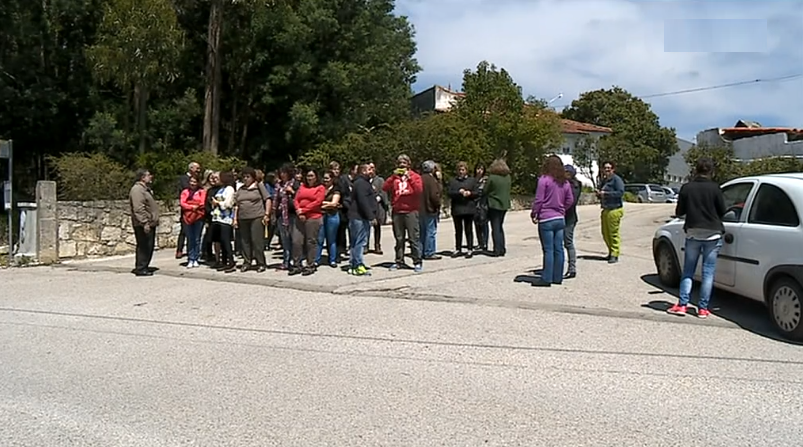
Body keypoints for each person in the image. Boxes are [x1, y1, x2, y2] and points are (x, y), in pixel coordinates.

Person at [667, 157, 726, 318]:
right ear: (711, 171)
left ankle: (683, 305)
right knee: (708, 272)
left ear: (696, 170)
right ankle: (703, 308)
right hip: (713, 234)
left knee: (688, 271)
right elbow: (723, 211)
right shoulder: (715, 188)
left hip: (693, 232)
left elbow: (679, 212)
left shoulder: (687, 188)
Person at [531, 155, 575, 287]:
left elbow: (539, 200)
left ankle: (546, 278)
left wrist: (534, 213)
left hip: (546, 218)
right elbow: (570, 200)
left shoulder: (544, 180)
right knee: (559, 249)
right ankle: (557, 277)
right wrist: (562, 209)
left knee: (548, 250)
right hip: (560, 218)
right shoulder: (565, 182)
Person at [383, 154, 424, 272]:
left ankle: (417, 261)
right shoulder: (395, 178)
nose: (402, 165)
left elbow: (419, 190)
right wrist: (393, 176)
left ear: (408, 164)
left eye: (404, 163)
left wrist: (409, 177)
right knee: (399, 238)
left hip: (411, 210)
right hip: (397, 210)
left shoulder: (415, 176)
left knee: (413, 237)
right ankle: (399, 261)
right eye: (400, 163)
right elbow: (385, 187)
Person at [234, 167, 271, 273]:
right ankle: (247, 262)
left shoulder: (259, 187)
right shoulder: (241, 189)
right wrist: (235, 219)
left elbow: (267, 199)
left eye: (248, 177)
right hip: (243, 217)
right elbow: (237, 205)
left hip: (256, 216)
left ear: (253, 177)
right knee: (244, 241)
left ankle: (261, 263)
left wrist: (267, 214)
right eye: (244, 177)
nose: (245, 179)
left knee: (256, 240)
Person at [292, 169, 325, 276]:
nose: (309, 178)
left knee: (311, 242)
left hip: (313, 217)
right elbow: (296, 199)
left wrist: (304, 210)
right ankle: (297, 264)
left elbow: (318, 202)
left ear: (316, 177)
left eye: (311, 176)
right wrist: (298, 211)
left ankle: (310, 264)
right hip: (300, 217)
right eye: (308, 176)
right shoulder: (302, 187)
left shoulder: (320, 188)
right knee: (296, 241)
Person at [348, 164, 378, 276]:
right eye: (369, 169)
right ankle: (358, 265)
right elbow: (363, 201)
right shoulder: (361, 183)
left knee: (356, 242)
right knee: (360, 242)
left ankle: (353, 264)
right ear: (363, 171)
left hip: (359, 217)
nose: (372, 171)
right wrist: (371, 216)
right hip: (359, 217)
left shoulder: (363, 183)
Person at [129, 169, 159, 276]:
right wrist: (144, 222)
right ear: (142, 177)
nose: (151, 177)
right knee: (144, 245)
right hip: (143, 224)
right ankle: (141, 268)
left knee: (148, 245)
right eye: (148, 175)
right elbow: (138, 208)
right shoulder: (137, 190)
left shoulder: (145, 189)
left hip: (150, 222)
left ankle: (144, 265)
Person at [448, 161, 479, 258]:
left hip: (468, 208)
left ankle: (470, 249)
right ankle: (458, 248)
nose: (461, 172)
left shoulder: (472, 180)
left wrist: (470, 193)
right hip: (457, 209)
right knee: (458, 230)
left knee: (468, 229)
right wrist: (458, 192)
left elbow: (477, 193)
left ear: (466, 170)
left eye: (463, 170)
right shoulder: (453, 181)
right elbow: (449, 193)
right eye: (459, 170)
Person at [597, 161, 625, 263]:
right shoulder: (604, 180)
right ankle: (610, 251)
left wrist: (606, 194)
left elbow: (620, 192)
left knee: (613, 233)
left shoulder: (616, 180)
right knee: (605, 233)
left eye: (609, 168)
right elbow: (601, 192)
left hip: (615, 209)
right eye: (605, 168)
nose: (607, 170)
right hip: (605, 208)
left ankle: (615, 253)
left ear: (613, 169)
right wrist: (599, 194)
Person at [274, 163, 299, 271]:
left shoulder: (295, 184)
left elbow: (300, 197)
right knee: (284, 240)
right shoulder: (278, 185)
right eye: (281, 172)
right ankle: (286, 261)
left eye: (284, 172)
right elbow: (276, 199)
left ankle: (296, 261)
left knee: (294, 240)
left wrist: (292, 191)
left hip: (292, 214)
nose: (282, 174)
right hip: (281, 216)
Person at [484, 159, 512, 257]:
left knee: (495, 227)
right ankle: (502, 248)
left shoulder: (492, 178)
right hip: (504, 204)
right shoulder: (508, 177)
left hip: (494, 204)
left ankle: (496, 249)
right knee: (500, 226)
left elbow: (485, 190)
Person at [211, 171, 237, 273]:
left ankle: (231, 262)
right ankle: (224, 262)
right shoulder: (221, 189)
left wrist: (217, 203)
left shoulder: (230, 189)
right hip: (217, 218)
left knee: (226, 241)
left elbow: (228, 204)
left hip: (225, 219)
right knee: (220, 241)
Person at [179, 174, 206, 269]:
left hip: (198, 217)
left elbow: (202, 203)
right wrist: (192, 206)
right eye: (191, 181)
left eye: (194, 182)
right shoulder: (185, 192)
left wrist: (194, 206)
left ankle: (196, 258)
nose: (192, 183)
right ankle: (190, 258)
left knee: (197, 238)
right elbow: (182, 203)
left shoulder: (201, 192)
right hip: (188, 217)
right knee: (190, 238)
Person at [316, 171, 342, 268]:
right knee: (319, 239)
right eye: (324, 178)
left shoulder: (336, 189)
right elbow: (316, 201)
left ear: (332, 179)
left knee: (331, 239)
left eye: (327, 178)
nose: (325, 180)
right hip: (321, 215)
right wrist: (327, 203)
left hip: (332, 216)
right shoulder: (320, 189)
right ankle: (316, 260)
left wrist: (323, 203)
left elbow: (334, 203)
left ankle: (332, 260)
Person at [176, 161, 201, 258]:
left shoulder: (198, 179)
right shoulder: (183, 179)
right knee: (184, 230)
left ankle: (193, 250)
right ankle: (179, 249)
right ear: (191, 168)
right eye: (197, 168)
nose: (198, 170)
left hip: (196, 209)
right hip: (186, 208)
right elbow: (185, 190)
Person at [420, 160, 442, 260]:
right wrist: (438, 204)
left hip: (420, 209)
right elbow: (434, 195)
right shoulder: (431, 180)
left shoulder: (419, 179)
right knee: (431, 231)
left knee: (422, 232)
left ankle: (421, 251)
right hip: (429, 209)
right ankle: (429, 252)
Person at [563, 165, 582, 279]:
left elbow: (572, 201)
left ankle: (572, 268)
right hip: (564, 217)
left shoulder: (574, 185)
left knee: (568, 242)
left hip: (569, 217)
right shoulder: (565, 184)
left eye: (566, 172)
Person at [366, 162, 388, 255]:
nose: (371, 170)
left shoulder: (379, 180)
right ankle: (365, 246)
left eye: (372, 168)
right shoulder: (364, 180)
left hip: (377, 207)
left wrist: (380, 197)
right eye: (369, 168)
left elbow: (383, 192)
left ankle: (377, 245)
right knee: (366, 227)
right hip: (367, 206)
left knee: (377, 227)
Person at [201, 171, 220, 264]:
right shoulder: (209, 190)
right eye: (211, 177)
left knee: (220, 238)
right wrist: (209, 214)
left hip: (221, 217)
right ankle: (208, 253)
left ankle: (220, 256)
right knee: (209, 237)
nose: (213, 180)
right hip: (211, 216)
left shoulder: (223, 189)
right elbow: (206, 204)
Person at [473, 163, 490, 252]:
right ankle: (480, 243)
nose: (479, 171)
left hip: (483, 204)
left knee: (484, 224)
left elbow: (486, 191)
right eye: (478, 168)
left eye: (481, 169)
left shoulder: (486, 180)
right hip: (474, 205)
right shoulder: (473, 180)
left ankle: (485, 243)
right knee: (477, 225)